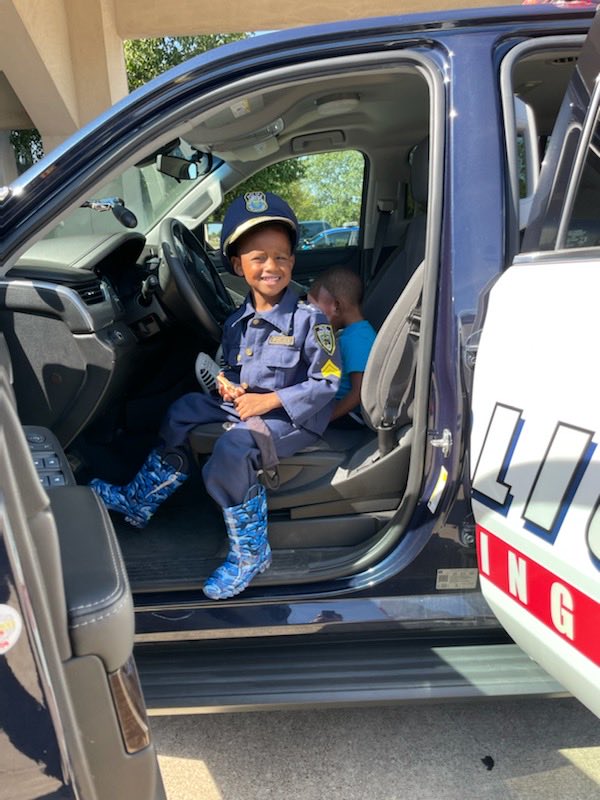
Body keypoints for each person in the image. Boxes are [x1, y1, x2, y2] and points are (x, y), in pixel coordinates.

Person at [90, 191, 341, 600]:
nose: (271, 266)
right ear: (238, 265)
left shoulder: (309, 320)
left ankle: (251, 551)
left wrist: (268, 401)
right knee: (183, 409)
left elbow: (325, 383)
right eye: (258, 258)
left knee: (233, 448)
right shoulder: (237, 320)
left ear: (293, 262)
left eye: (281, 257)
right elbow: (236, 367)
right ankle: (141, 500)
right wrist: (228, 382)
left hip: (293, 417)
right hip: (245, 403)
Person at [308, 266, 376, 427]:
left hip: (347, 415)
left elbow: (359, 393)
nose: (312, 316)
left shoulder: (357, 339)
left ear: (337, 306)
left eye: (315, 309)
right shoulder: (351, 333)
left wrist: (325, 419)